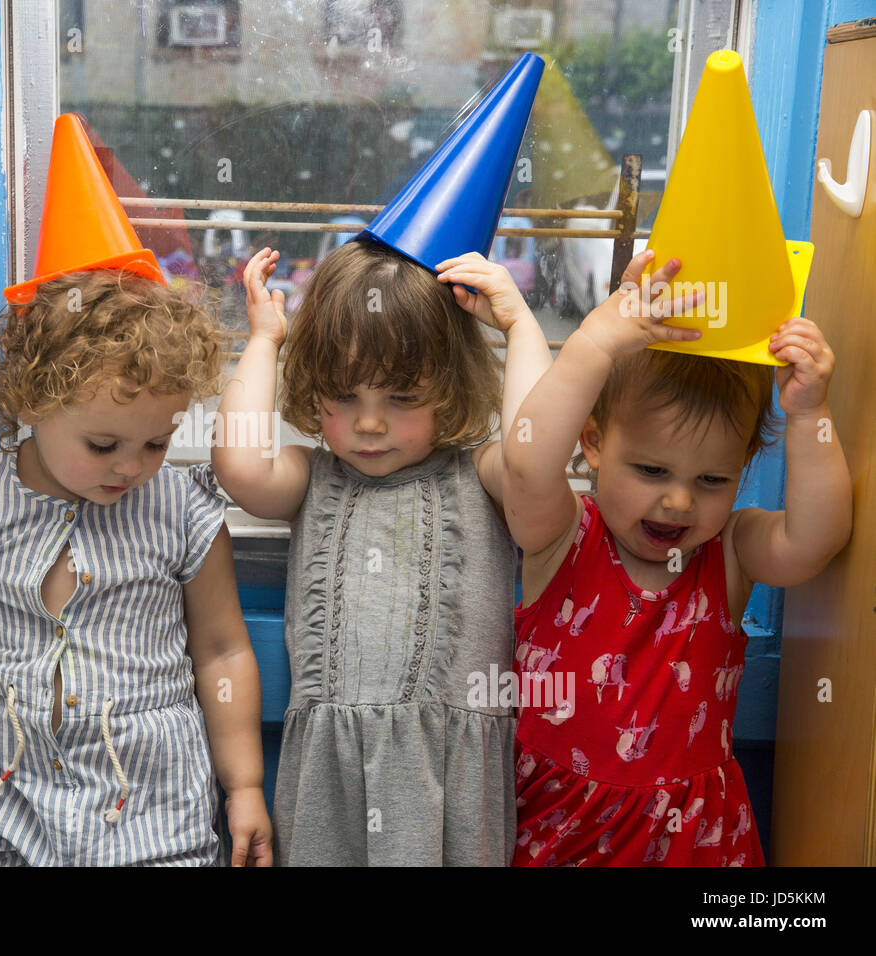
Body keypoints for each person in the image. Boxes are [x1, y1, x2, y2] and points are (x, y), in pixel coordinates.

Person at [502, 250, 852, 865]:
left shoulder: (731, 550)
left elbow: (815, 541)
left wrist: (809, 414)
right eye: (651, 469)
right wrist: (595, 343)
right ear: (593, 443)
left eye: (714, 480)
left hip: (695, 840)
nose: (679, 500)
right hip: (558, 829)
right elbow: (528, 458)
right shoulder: (560, 536)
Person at [212, 241, 553, 864]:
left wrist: (519, 324)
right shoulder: (311, 478)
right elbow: (237, 462)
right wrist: (264, 339)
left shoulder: (484, 476)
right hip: (328, 791)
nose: (369, 424)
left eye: (400, 399)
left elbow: (536, 455)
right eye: (344, 397)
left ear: (448, 388)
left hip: (447, 792)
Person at [0, 269, 272, 866]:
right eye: (104, 445)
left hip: (151, 808)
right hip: (6, 801)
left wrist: (243, 788)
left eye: (156, 444)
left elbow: (221, 651)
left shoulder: (182, 510)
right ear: (33, 400)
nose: (131, 467)